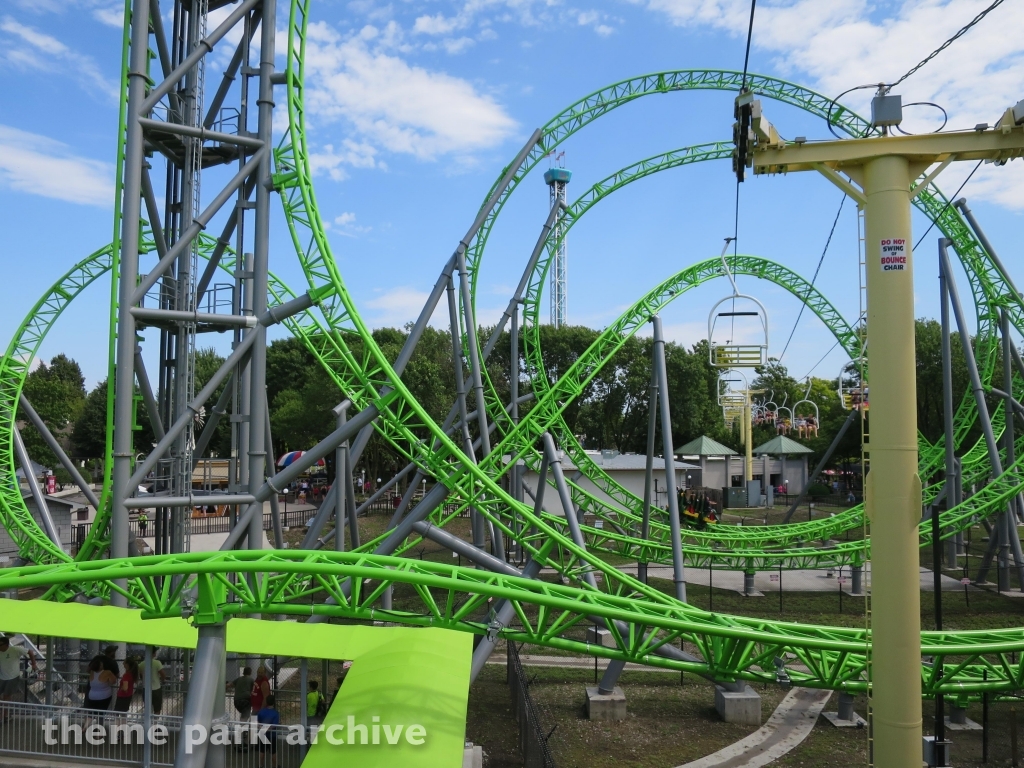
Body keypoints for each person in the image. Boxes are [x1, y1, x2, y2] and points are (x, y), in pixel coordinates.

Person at [0, 635, 37, 714]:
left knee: (6, 696)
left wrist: (33, 664)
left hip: (12, 677)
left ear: (6, 644)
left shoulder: (15, 649)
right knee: (4, 697)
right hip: (2, 677)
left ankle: (4, 714)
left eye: (0, 645)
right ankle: (3, 711)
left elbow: (30, 651)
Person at [256, 695, 280, 767]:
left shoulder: (261, 711)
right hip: (272, 735)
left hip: (263, 734)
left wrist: (262, 728)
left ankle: (261, 765)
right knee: (273, 752)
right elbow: (274, 725)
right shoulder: (275, 713)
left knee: (262, 751)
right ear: (274, 702)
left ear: (266, 702)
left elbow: (257, 721)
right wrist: (268, 729)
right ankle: (275, 766)